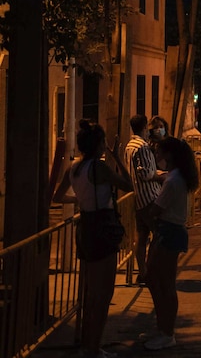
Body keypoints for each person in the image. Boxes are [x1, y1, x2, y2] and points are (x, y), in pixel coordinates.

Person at [52, 120, 134, 358]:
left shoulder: (74, 169)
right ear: (98, 144)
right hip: (102, 227)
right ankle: (93, 347)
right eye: (103, 142)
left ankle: (88, 345)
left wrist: (79, 201)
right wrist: (118, 159)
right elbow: (128, 185)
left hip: (85, 226)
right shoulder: (99, 168)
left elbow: (58, 196)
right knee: (103, 293)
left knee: (89, 293)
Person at [142, 137, 199, 351]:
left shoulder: (173, 181)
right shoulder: (175, 177)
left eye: (159, 152)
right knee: (157, 281)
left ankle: (166, 331)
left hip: (169, 231)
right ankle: (163, 328)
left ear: (169, 155)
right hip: (170, 231)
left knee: (163, 283)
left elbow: (156, 209)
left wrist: (147, 214)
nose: (157, 156)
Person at [125, 114, 165, 286]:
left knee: (141, 238)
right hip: (150, 198)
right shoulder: (142, 147)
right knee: (159, 235)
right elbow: (147, 173)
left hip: (138, 198)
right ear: (144, 128)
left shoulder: (129, 145)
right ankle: (151, 271)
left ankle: (142, 272)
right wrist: (163, 175)